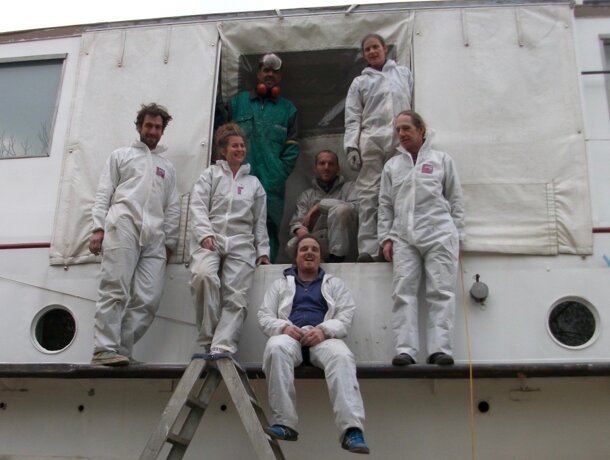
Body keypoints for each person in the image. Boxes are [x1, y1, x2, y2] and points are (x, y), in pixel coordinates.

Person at [257, 235, 369, 454]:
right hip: (291, 336)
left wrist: (324, 330)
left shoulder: (334, 284)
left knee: (342, 356)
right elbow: (264, 315)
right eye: (304, 249)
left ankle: (351, 430)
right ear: (296, 256)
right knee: (275, 347)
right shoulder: (279, 285)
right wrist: (283, 327)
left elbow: (346, 315)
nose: (309, 252)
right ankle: (285, 423)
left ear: (320, 257)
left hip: (322, 337)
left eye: (315, 250)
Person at [89, 103, 180, 366]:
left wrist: (169, 242)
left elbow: (173, 206)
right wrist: (98, 228)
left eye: (158, 127)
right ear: (139, 127)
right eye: (148, 125)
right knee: (114, 288)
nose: (153, 131)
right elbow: (103, 193)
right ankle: (103, 349)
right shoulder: (121, 156)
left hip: (155, 236)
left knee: (149, 298)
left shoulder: (167, 167)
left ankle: (122, 350)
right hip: (123, 225)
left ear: (163, 131)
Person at [378, 111, 465, 366]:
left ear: (421, 130)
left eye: (406, 128)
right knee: (403, 293)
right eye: (398, 129)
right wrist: (385, 238)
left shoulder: (441, 160)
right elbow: (385, 205)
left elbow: (455, 200)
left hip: (440, 234)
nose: (402, 133)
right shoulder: (392, 166)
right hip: (403, 236)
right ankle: (406, 350)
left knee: (441, 292)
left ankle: (440, 349)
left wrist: (458, 236)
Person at [189, 123, 270, 360]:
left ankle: (222, 346)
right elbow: (197, 206)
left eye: (242, 145)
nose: (240, 149)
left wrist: (262, 251)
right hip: (211, 237)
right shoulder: (210, 175)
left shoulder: (253, 183)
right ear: (223, 150)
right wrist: (204, 234)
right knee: (203, 276)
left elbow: (259, 221)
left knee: (237, 296)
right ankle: (208, 337)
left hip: (241, 242)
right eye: (235, 146)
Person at [344, 33, 413, 262]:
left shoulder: (403, 74)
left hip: (399, 141)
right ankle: (369, 250)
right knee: (368, 196)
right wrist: (351, 147)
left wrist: (417, 141)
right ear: (364, 55)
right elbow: (352, 116)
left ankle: (396, 244)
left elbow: (413, 107)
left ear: (385, 48)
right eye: (367, 49)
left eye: (375, 47)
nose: (372, 52)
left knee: (399, 192)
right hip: (371, 141)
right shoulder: (360, 82)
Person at [228, 52, 299, 262]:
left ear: (280, 77)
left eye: (274, 72)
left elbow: (293, 148)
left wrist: (279, 173)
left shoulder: (288, 110)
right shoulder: (237, 103)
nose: (270, 75)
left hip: (271, 184)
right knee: (236, 224)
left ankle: (266, 271)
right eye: (266, 70)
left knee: (269, 229)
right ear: (258, 73)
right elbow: (222, 138)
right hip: (238, 179)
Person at [287, 150, 357, 262]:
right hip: (318, 242)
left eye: (331, 164)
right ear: (315, 168)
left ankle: (337, 259)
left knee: (341, 209)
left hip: (347, 243)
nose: (326, 167)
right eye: (322, 163)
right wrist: (301, 231)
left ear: (338, 168)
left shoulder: (349, 188)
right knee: (292, 245)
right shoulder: (307, 195)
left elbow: (356, 208)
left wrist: (320, 205)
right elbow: (297, 222)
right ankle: (315, 266)